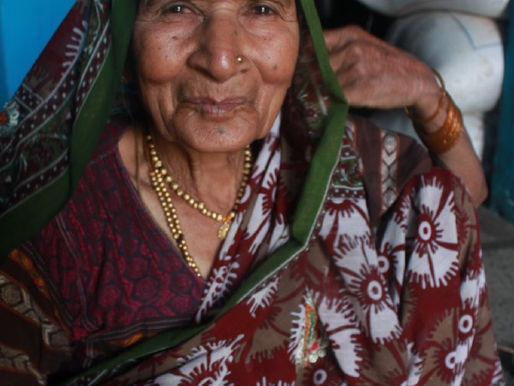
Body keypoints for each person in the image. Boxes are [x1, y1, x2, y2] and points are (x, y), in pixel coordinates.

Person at [0, 0, 502, 384]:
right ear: (125, 42)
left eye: (261, 8)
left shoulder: (341, 165)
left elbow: (455, 207)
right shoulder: (60, 220)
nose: (220, 59)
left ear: (300, 42)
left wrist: (428, 95)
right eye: (178, 7)